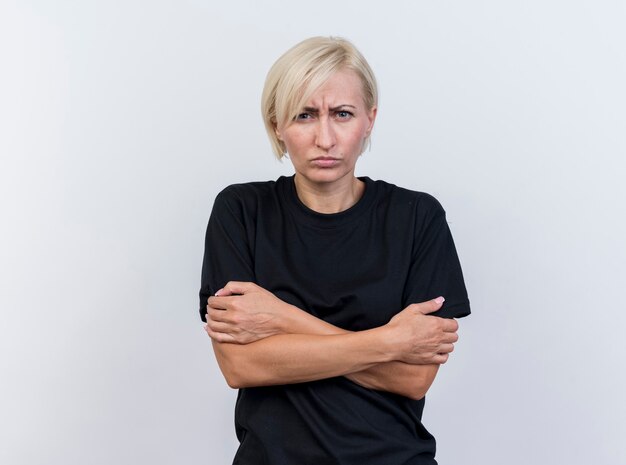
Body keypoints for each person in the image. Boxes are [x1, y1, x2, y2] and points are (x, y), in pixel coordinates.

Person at [199, 36, 470, 465]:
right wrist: (389, 341)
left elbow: (414, 377)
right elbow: (241, 366)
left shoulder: (417, 217)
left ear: (369, 120)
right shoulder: (241, 212)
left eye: (342, 114)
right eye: (305, 115)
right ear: (277, 126)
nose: (325, 137)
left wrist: (281, 317)